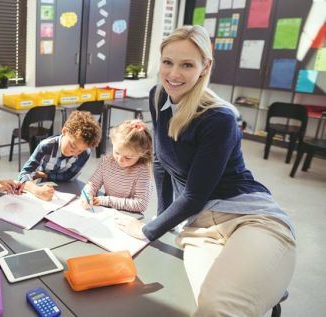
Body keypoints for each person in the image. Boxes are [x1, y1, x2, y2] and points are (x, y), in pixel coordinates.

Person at [118, 25, 295, 316]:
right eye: (168, 62)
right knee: (205, 303)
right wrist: (162, 219)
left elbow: (195, 195)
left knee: (219, 307)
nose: (174, 74)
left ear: (205, 67)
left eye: (187, 64)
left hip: (248, 216)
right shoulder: (158, 96)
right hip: (199, 228)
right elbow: (162, 162)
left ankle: (265, 278)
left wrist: (149, 230)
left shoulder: (219, 118)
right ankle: (262, 282)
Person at [18, 110, 101, 201]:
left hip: (67, 187)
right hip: (43, 185)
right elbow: (23, 175)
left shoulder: (85, 154)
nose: (74, 153)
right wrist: (37, 190)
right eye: (72, 146)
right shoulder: (46, 146)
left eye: (80, 151)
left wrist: (42, 175)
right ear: (64, 131)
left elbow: (69, 176)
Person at [81, 119, 152, 213]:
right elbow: (93, 184)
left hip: (128, 215)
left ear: (142, 153)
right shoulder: (107, 161)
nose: (120, 159)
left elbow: (141, 204)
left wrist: (106, 200)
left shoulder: (142, 171)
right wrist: (87, 194)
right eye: (117, 153)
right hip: (106, 211)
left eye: (128, 157)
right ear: (113, 142)